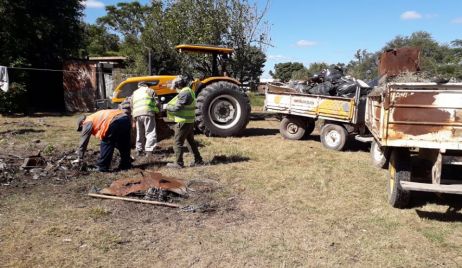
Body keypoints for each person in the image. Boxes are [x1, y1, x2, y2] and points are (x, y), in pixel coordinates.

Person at [75, 104, 132, 172]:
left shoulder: (87, 121)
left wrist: (80, 157)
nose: (82, 130)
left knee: (106, 143)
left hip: (114, 121)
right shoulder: (94, 117)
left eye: (81, 128)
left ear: (82, 123)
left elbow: (83, 141)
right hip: (125, 118)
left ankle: (102, 167)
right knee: (123, 143)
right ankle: (125, 165)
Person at [165, 76, 203, 168]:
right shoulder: (189, 91)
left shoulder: (184, 93)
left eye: (176, 86)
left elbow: (177, 108)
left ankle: (179, 163)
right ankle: (198, 160)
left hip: (183, 121)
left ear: (178, 85)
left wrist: (166, 107)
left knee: (177, 142)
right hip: (189, 121)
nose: (175, 88)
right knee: (190, 142)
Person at [131, 81, 160, 157]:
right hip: (148, 113)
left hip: (137, 114)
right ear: (146, 85)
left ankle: (139, 150)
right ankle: (149, 151)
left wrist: (133, 117)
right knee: (150, 132)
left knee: (139, 133)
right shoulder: (150, 90)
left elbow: (132, 105)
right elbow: (157, 103)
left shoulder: (135, 93)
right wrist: (158, 112)